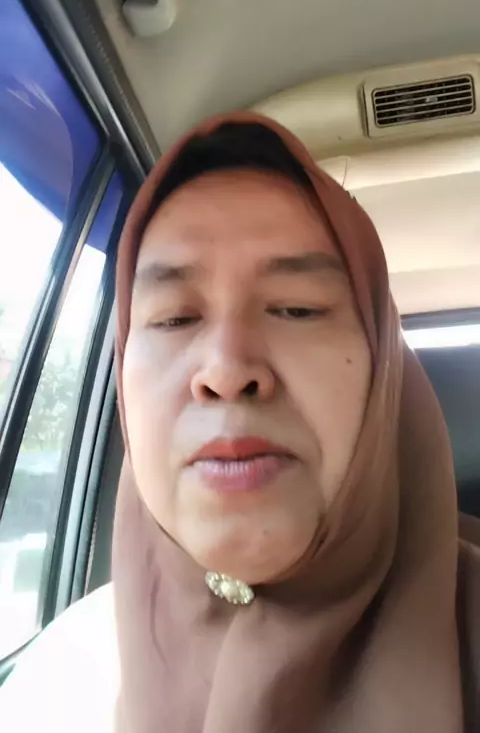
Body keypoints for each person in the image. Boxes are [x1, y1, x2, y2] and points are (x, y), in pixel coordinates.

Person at [1, 112, 479, 733]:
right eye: (174, 319)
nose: (226, 370)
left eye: (297, 309)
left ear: (383, 372)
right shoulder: (52, 684)